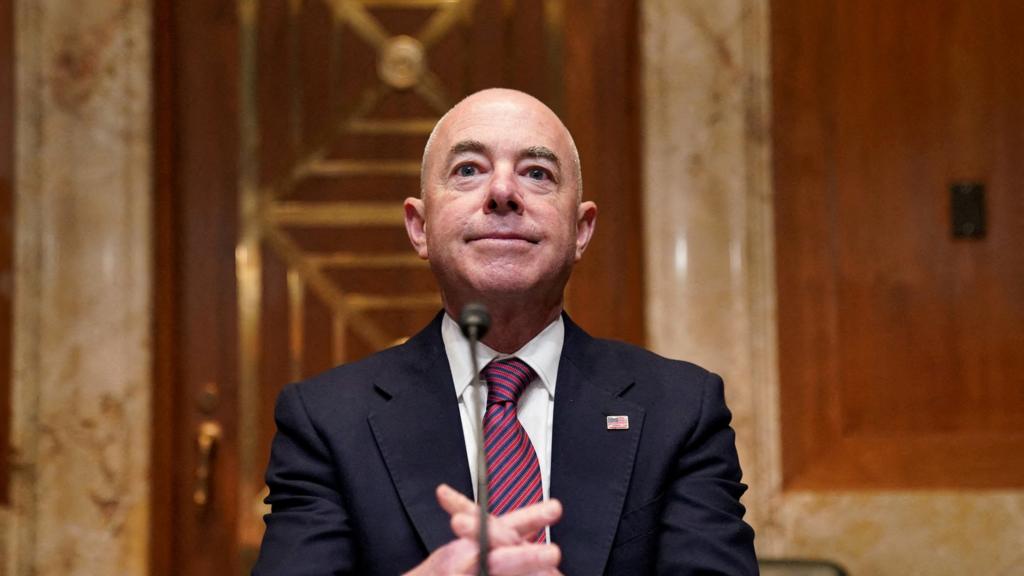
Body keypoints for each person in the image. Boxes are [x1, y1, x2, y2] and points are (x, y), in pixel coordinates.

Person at [252, 88, 757, 575]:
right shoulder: (326, 422)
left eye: (537, 173)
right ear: (419, 227)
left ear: (581, 231)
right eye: (468, 170)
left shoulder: (681, 410)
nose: (502, 193)